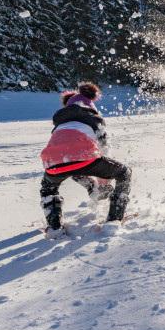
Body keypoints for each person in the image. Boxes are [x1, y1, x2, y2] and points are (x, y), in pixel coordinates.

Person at [39, 82, 132, 232]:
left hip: (53, 163)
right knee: (124, 173)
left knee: (49, 188)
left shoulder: (60, 123)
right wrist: (104, 182)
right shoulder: (94, 119)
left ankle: (54, 227)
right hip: (85, 158)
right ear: (90, 106)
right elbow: (104, 150)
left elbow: (65, 153)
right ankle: (114, 218)